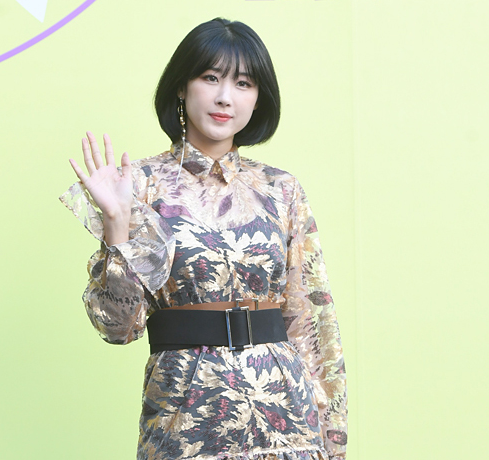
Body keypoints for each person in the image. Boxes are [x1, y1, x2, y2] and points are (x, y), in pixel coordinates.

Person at [60, 17, 347, 460]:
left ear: (258, 98)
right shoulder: (138, 185)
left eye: (243, 83)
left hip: (287, 421)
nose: (224, 97)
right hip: (186, 420)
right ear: (182, 86)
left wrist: (332, 438)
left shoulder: (281, 189)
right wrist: (116, 221)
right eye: (210, 78)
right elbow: (118, 328)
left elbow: (311, 321)